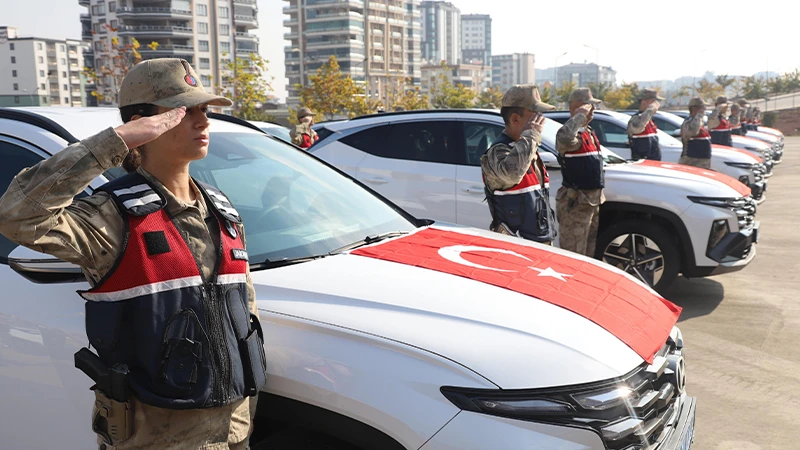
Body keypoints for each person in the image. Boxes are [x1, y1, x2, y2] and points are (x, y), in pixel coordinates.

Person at [0, 58, 266, 449]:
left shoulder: (222, 211)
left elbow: (246, 313)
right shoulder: (113, 216)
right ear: (143, 122)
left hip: (233, 429)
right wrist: (116, 141)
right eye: (183, 111)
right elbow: (17, 215)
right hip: (156, 438)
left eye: (204, 110)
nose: (203, 121)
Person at [481, 84, 556, 244]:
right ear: (515, 119)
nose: (541, 121)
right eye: (535, 115)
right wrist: (531, 136)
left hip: (536, 241)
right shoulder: (499, 151)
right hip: (516, 246)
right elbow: (512, 174)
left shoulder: (525, 147)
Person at [555, 87, 604, 257]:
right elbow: (563, 137)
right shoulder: (570, 135)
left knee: (588, 253)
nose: (593, 111)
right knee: (573, 254)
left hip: (590, 202)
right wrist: (579, 116)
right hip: (575, 204)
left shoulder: (588, 132)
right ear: (579, 108)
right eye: (590, 106)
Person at [627, 88, 664, 160]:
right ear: (644, 102)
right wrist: (650, 110)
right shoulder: (636, 119)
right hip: (643, 164)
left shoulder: (650, 120)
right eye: (653, 101)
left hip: (653, 163)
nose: (656, 105)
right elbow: (638, 127)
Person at [678, 97, 713, 169]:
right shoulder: (689, 122)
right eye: (703, 107)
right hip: (692, 161)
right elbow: (693, 131)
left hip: (703, 162)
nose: (705, 109)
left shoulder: (700, 122)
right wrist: (699, 115)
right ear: (694, 109)